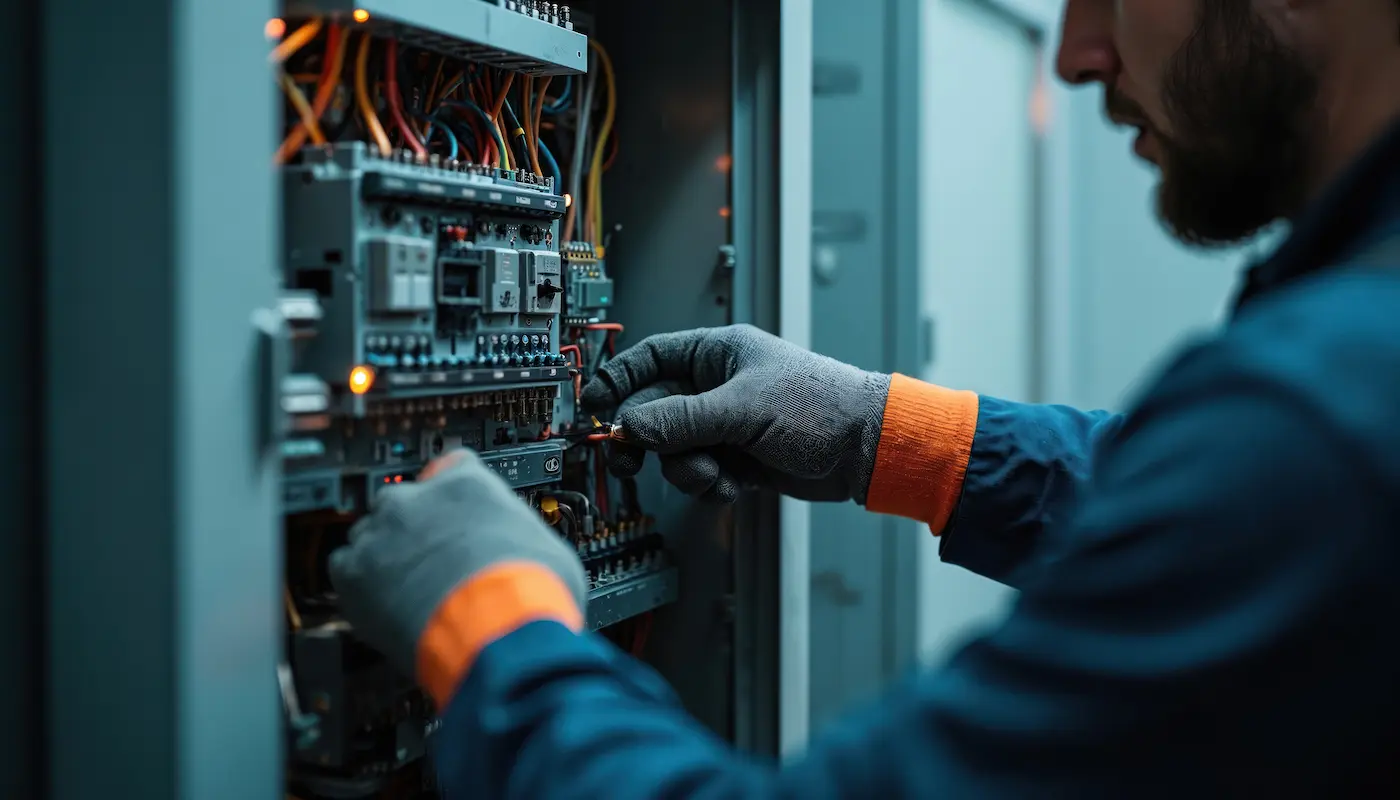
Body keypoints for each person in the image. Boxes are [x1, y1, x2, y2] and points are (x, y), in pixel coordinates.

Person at [328, 0, 1400, 795]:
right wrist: (890, 435)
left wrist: (493, 631)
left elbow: (1268, 490)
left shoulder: (1322, 414)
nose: (1074, 53)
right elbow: (1213, 522)